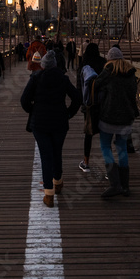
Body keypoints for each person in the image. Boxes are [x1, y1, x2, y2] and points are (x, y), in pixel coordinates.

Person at [20, 50, 82, 207]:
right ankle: (58, 182)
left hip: (40, 123)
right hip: (59, 122)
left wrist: (32, 111)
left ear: (43, 66)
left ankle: (49, 194)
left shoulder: (36, 78)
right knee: (57, 152)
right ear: (55, 65)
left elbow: (24, 100)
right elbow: (77, 98)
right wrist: (69, 113)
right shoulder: (63, 78)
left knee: (45, 155)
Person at [92, 45, 138, 199]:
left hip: (108, 115)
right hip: (126, 117)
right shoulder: (131, 73)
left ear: (110, 59)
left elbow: (95, 85)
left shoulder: (108, 72)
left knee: (105, 147)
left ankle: (114, 184)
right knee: (122, 148)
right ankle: (125, 186)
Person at [76, 42, 105, 173]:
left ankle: (86, 162)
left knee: (89, 133)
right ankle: (107, 165)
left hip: (88, 105)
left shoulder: (83, 65)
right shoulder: (104, 63)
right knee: (105, 134)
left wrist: (80, 104)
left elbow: (79, 87)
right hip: (103, 103)